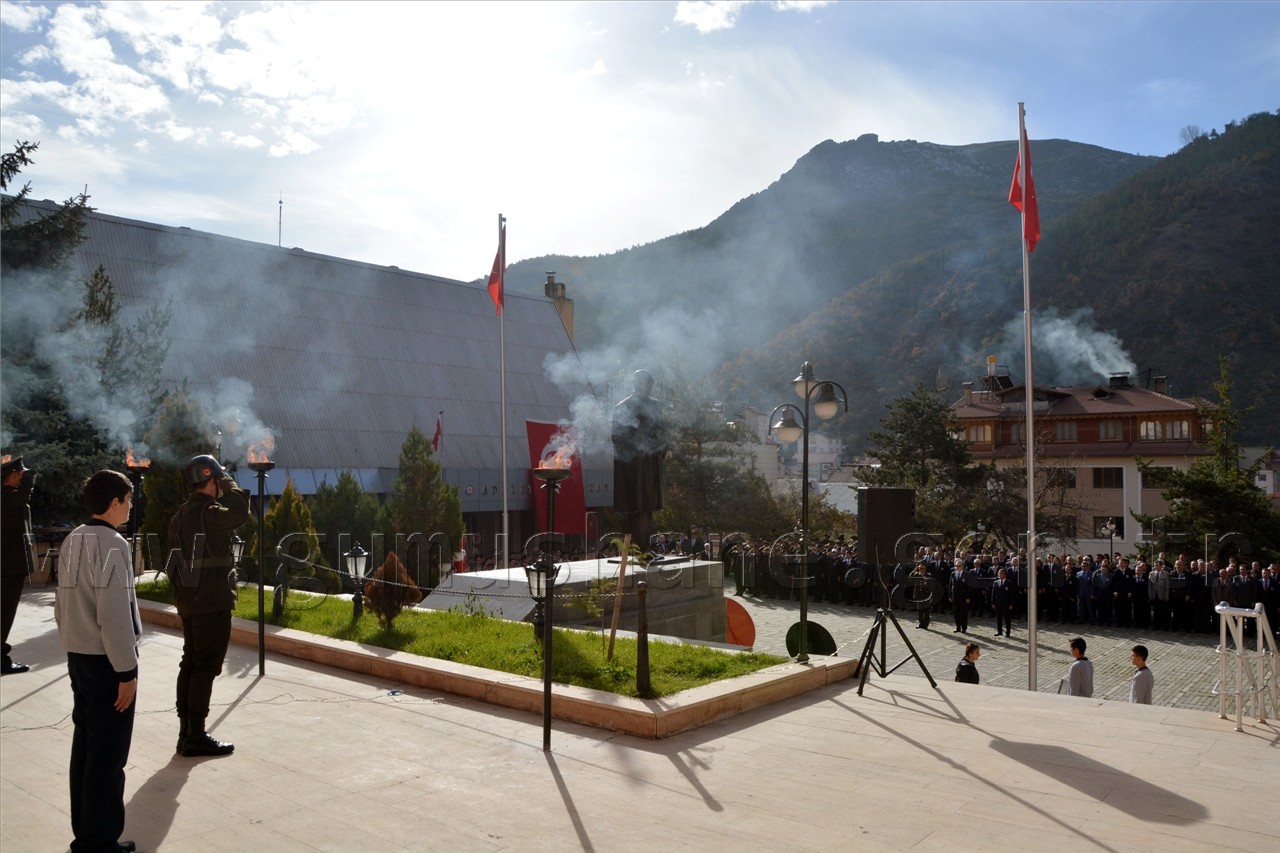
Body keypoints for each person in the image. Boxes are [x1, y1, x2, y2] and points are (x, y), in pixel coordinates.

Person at [56, 470, 142, 853]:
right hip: (107, 663)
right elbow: (114, 614)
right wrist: (127, 670)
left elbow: (63, 606)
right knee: (108, 757)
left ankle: (86, 834)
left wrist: (74, 645)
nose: (130, 506)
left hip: (79, 657)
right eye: (128, 499)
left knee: (87, 748)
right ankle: (100, 841)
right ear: (114, 503)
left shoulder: (74, 537)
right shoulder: (112, 543)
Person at [168, 454, 249, 757]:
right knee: (204, 667)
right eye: (219, 479)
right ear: (212, 480)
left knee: (190, 663)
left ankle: (186, 731)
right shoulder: (207, 513)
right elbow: (240, 514)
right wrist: (232, 487)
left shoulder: (181, 514)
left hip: (189, 599)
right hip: (210, 599)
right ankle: (196, 736)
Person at [611, 369, 666, 550]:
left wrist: (657, 449)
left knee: (644, 506)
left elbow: (661, 433)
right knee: (636, 505)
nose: (649, 387)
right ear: (637, 384)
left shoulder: (655, 405)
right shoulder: (623, 407)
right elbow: (616, 437)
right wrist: (638, 445)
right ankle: (637, 549)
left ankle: (642, 548)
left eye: (650, 383)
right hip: (634, 464)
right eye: (646, 383)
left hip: (646, 462)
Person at [2, 455, 36, 675]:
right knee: (4, 614)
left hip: (6, 566)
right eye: (19, 474)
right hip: (9, 568)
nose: (22, 477)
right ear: (12, 476)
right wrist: (28, 475)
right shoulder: (10, 497)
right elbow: (24, 495)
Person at [991, 567, 1015, 637]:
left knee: (1007, 618)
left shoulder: (1009, 583)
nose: (999, 575)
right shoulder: (996, 582)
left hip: (1006, 604)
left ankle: (1008, 632)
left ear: (1005, 575)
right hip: (998, 603)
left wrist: (1011, 603)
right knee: (998, 618)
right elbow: (993, 593)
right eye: (999, 573)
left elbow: (1012, 594)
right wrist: (992, 602)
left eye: (1001, 573)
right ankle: (999, 631)